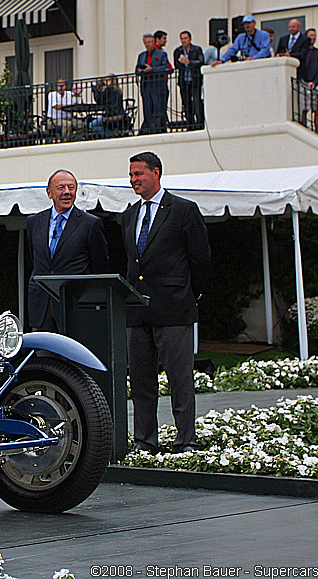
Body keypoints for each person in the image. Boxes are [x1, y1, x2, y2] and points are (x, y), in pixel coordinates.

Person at [123, 151, 211, 455]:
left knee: (179, 379)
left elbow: (200, 259)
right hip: (137, 312)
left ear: (156, 173)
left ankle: (186, 440)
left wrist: (189, 295)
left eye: (139, 174)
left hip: (174, 309)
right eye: (131, 175)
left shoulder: (184, 210)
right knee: (141, 383)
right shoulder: (129, 214)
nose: (133, 180)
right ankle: (145, 441)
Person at [26, 170, 109, 333]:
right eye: (61, 187)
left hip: (74, 305)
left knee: (73, 356)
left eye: (71, 187)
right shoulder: (34, 222)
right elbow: (35, 259)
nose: (67, 192)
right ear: (49, 193)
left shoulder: (90, 224)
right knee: (43, 356)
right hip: (41, 305)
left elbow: (100, 267)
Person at [135, 33, 171, 134]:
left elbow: (165, 68)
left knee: (158, 108)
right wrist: (141, 70)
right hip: (146, 86)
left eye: (149, 42)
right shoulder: (141, 56)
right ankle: (148, 128)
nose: (148, 45)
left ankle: (159, 128)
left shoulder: (161, 54)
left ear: (153, 42)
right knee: (147, 108)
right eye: (146, 43)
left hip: (158, 86)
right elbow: (137, 70)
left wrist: (152, 69)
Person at [173, 31, 204, 128]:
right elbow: (177, 65)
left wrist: (189, 62)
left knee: (196, 101)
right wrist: (182, 62)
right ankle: (190, 123)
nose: (183, 40)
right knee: (186, 102)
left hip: (195, 80)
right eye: (182, 38)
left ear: (190, 39)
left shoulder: (196, 49)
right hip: (184, 80)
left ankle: (199, 122)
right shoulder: (178, 51)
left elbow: (201, 61)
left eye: (185, 38)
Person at [299, 32, 318, 131]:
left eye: (315, 35)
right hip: (304, 83)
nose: (313, 37)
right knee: (303, 109)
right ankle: (303, 128)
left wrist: (316, 81)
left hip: (317, 84)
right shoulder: (302, 52)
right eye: (311, 35)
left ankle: (317, 131)